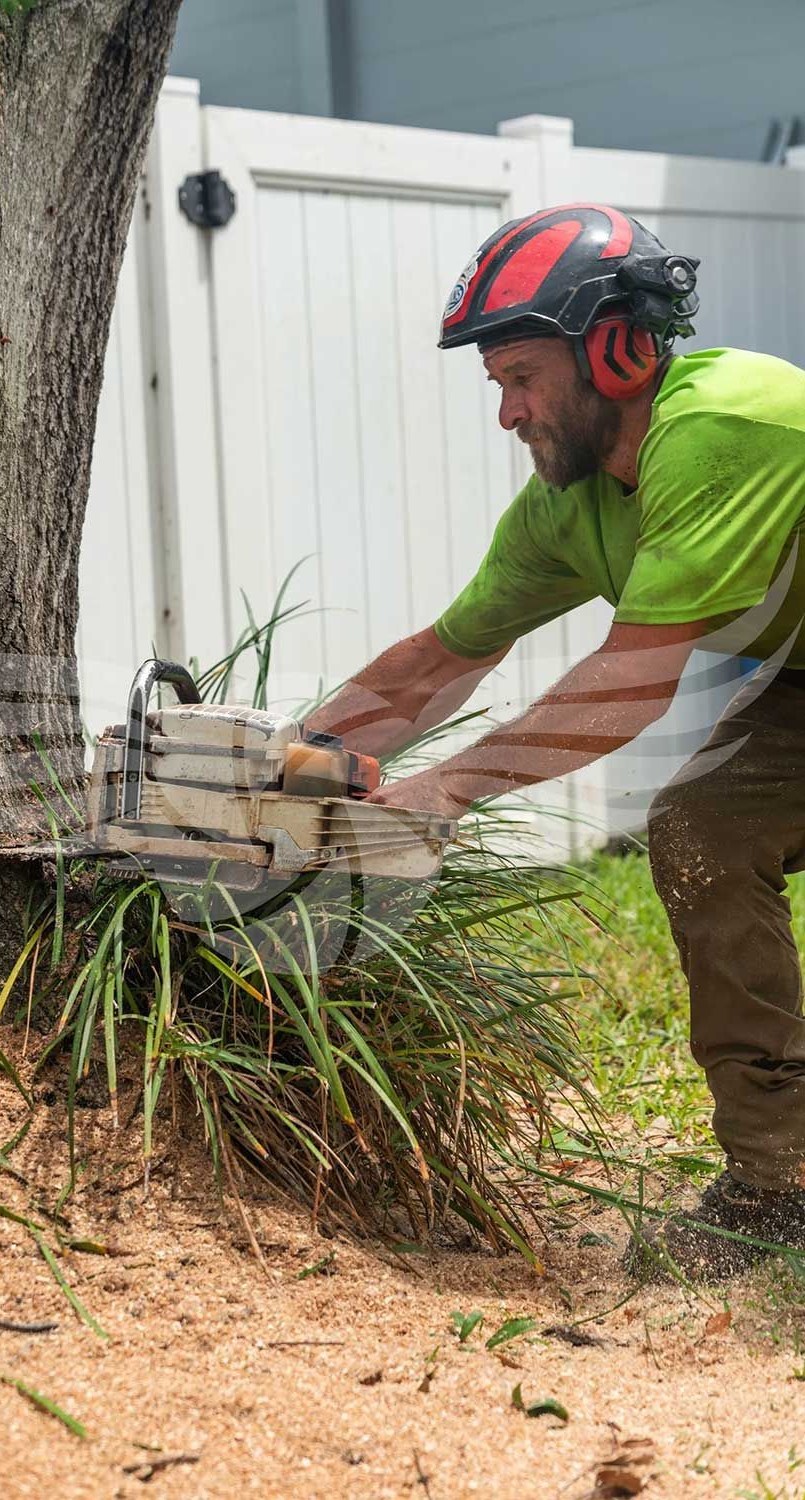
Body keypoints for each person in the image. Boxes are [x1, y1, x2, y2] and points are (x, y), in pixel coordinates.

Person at [305, 202, 805, 1282]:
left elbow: (625, 683)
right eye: (496, 386)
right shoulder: (568, 508)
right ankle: (780, 1185)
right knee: (700, 829)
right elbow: (435, 663)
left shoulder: (723, 425)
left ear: (619, 349)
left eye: (522, 377)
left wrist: (440, 791)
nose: (507, 413)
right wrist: (281, 770)